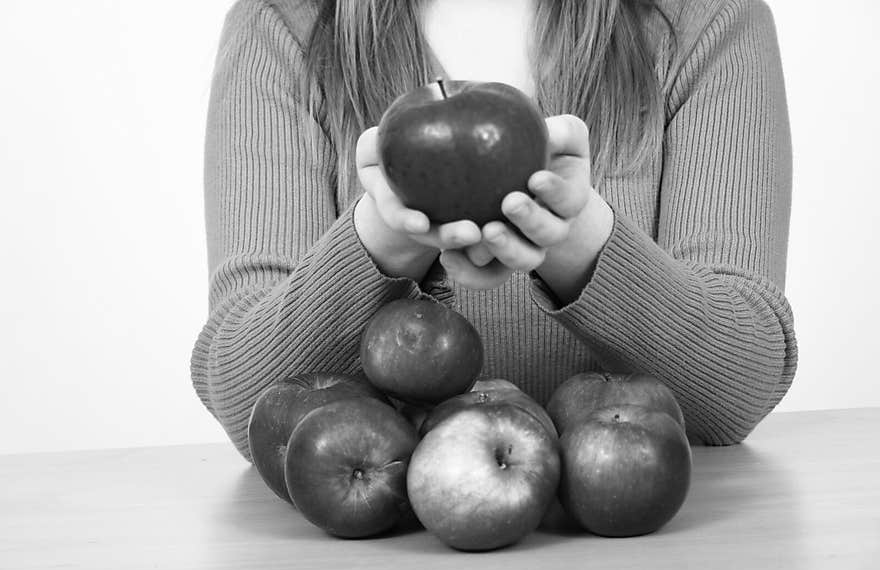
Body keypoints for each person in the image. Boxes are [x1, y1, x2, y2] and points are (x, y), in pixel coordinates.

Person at [191, 0, 797, 458]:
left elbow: (740, 387)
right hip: (380, 569)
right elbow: (251, 403)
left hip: (638, 564)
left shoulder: (706, 19)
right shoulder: (283, 28)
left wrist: (575, 236)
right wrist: (386, 232)